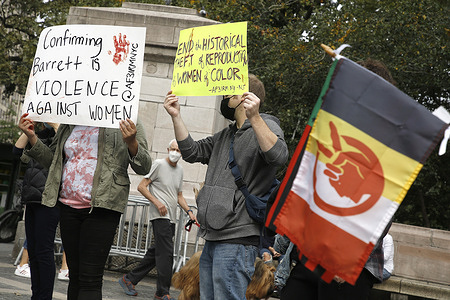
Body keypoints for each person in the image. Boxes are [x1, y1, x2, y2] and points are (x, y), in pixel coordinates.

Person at [164, 73, 289, 299]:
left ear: (244, 97)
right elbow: (192, 152)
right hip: (213, 237)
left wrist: (256, 117)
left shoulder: (267, 125)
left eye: (228, 93)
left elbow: (279, 156)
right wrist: (176, 116)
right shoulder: (226, 135)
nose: (224, 97)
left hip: (237, 239)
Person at [280, 59, 396, 300]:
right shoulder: (334, 131)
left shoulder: (388, 146)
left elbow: (383, 213)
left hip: (349, 267)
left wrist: (347, 258)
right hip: (311, 256)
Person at [18, 114, 152, 300]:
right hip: (68, 205)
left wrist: (131, 142)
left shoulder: (126, 117)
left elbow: (144, 166)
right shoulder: (72, 118)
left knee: (90, 278)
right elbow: (52, 160)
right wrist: (32, 137)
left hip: (102, 207)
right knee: (76, 276)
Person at [118, 139, 197, 300]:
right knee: (166, 254)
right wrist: (157, 202)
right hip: (160, 216)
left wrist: (189, 211)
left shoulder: (180, 170)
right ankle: (162, 293)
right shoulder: (159, 164)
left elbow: (179, 195)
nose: (175, 153)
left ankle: (129, 279)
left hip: (172, 218)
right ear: (168, 149)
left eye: (178, 150)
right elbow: (141, 186)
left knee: (157, 253)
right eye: (173, 149)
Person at [13, 122, 60, 298]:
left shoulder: (63, 133)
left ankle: (44, 296)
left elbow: (63, 153)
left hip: (49, 200)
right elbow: (17, 152)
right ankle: (36, 295)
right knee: (33, 250)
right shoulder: (42, 134)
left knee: (43, 250)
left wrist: (57, 125)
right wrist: (28, 129)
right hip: (32, 197)